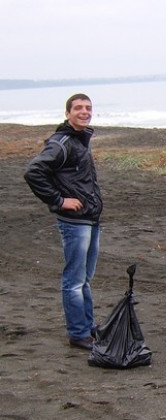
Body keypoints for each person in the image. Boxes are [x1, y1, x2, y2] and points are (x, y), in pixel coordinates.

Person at [24, 93, 102, 351]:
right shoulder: (62, 142)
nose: (84, 112)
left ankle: (88, 327)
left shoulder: (81, 140)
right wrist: (59, 201)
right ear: (67, 113)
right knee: (74, 281)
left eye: (88, 108)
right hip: (74, 222)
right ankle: (78, 333)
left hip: (90, 219)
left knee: (85, 279)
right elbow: (34, 171)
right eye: (78, 108)